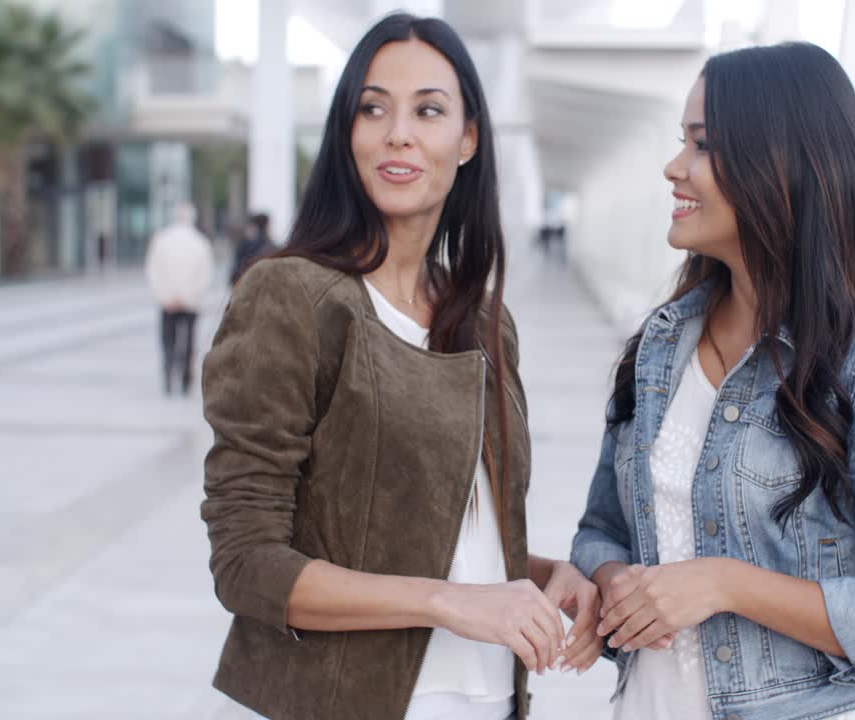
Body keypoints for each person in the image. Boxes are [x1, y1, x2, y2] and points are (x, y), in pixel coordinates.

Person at [200, 14, 602, 720]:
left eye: (429, 110)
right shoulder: (291, 295)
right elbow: (246, 564)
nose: (398, 134)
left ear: (469, 138)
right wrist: (451, 603)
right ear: (346, 133)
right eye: (373, 107)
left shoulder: (482, 321)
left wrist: (538, 577)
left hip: (490, 700)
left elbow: (445, 534)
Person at [571, 42, 855, 720]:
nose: (674, 167)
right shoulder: (660, 345)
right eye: (680, 142)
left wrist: (723, 584)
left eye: (703, 145)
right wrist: (618, 586)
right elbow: (599, 532)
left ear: (783, 164)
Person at [144, 203, 213, 396]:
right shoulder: (201, 243)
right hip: (191, 303)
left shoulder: (161, 240)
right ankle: (185, 377)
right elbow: (205, 275)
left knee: (168, 341)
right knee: (189, 341)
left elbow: (153, 271)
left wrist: (165, 296)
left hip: (167, 302)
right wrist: (189, 296)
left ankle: (168, 375)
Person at [229, 212, 273, 285]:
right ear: (267, 226)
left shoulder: (244, 244)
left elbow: (236, 269)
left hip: (246, 284)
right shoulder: (271, 246)